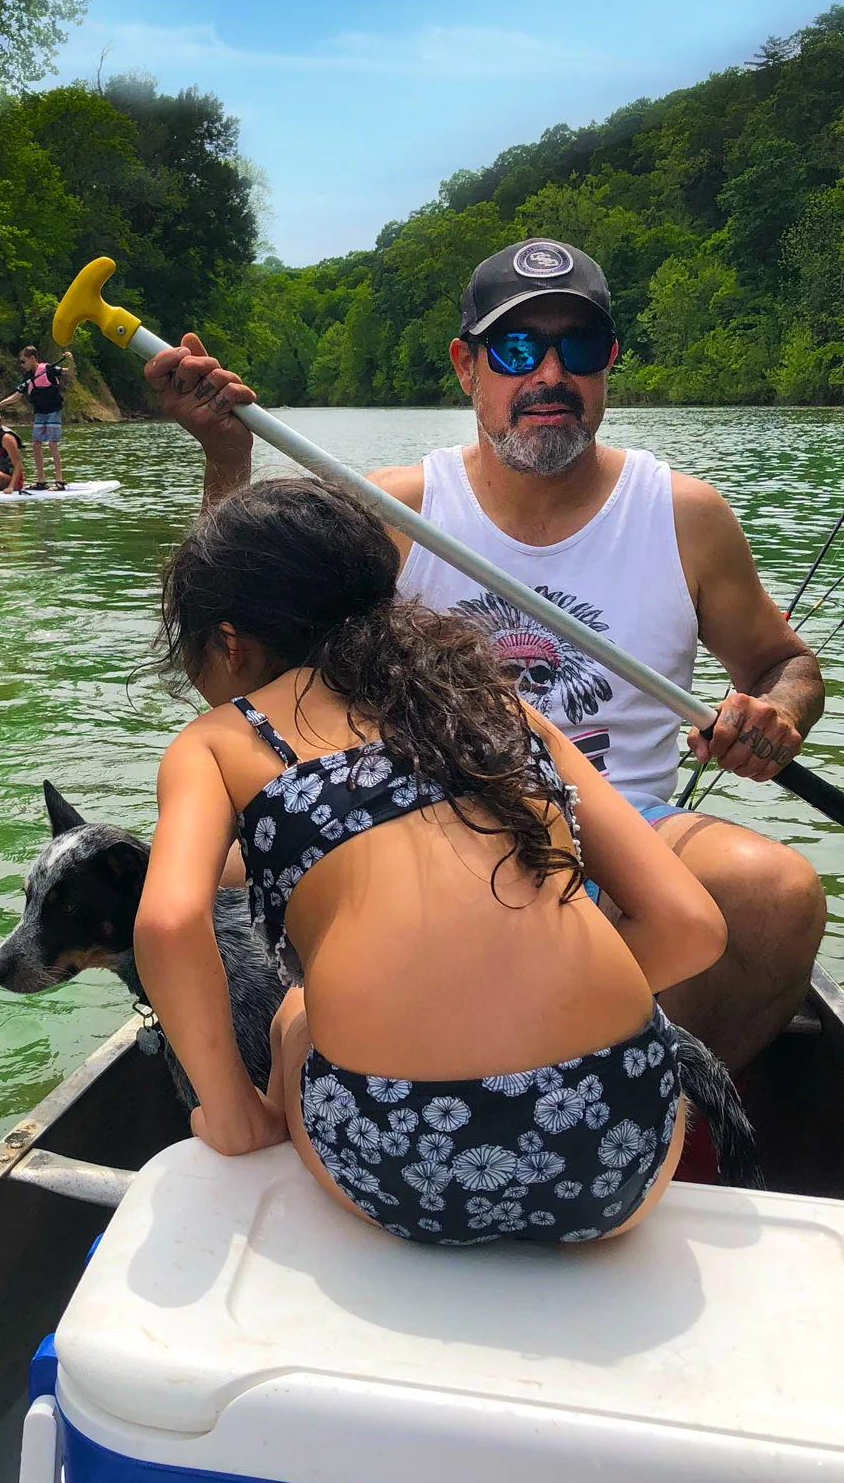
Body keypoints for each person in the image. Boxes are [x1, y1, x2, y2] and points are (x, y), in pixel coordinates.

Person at [143, 238, 826, 1072]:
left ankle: (662, 1099)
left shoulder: (685, 515)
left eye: (578, 348)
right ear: (467, 367)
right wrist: (226, 460)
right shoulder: (393, 509)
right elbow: (249, 675)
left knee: (776, 893)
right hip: (419, 822)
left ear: (609, 362)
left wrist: (776, 712)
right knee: (222, 873)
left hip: (628, 825)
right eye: (515, 349)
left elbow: (784, 664)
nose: (550, 375)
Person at [135, 478, 727, 1244]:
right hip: (621, 1152)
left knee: (293, 1012)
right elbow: (690, 927)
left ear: (228, 642)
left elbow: (170, 924)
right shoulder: (494, 704)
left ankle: (262, 1138)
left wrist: (231, 1111)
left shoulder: (218, 739)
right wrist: (521, 1010)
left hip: (403, 1168)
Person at [0, 344, 73, 488]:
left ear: (32, 358)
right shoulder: (28, 377)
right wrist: (0, 404)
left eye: (23, 361)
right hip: (39, 413)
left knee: (52, 444)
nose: (22, 365)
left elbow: (69, 371)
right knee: (36, 444)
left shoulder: (48, 369)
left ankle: (59, 481)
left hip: (53, 411)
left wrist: (70, 360)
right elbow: (17, 395)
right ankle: (41, 481)